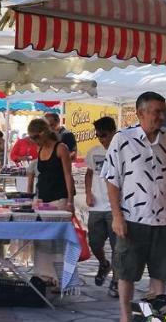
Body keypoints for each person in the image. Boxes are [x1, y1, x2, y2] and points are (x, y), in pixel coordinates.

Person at [104, 92, 166, 322]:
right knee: (126, 273)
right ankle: (124, 320)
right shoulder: (123, 139)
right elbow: (112, 180)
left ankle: (155, 320)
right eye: (156, 112)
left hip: (164, 218)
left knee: (160, 273)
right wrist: (116, 216)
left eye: (163, 111)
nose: (161, 116)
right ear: (140, 113)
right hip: (132, 218)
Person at [25, 118, 76, 288]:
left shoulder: (61, 148)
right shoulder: (40, 149)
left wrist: (71, 201)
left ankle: (60, 278)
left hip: (59, 198)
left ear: (44, 133)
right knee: (41, 239)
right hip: (44, 199)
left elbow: (68, 175)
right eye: (31, 138)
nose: (33, 141)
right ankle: (44, 276)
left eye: (35, 137)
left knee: (57, 241)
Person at [84, 116, 117, 292]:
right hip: (96, 205)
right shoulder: (94, 151)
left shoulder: (121, 150)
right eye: (98, 135)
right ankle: (104, 264)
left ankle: (117, 281)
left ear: (113, 132)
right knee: (95, 243)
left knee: (117, 246)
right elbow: (89, 173)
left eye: (104, 135)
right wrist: (88, 193)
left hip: (115, 207)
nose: (101, 139)